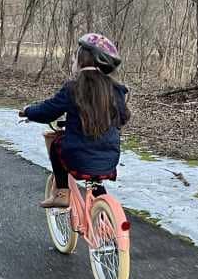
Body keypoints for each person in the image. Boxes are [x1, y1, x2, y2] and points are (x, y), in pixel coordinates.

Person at [19, 33, 130, 208]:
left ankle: (62, 193)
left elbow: (47, 111)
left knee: (57, 145)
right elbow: (123, 118)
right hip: (109, 160)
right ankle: (104, 215)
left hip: (77, 159)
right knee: (95, 179)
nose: (73, 63)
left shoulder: (73, 88)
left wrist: (28, 111)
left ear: (81, 61)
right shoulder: (116, 90)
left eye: (74, 59)